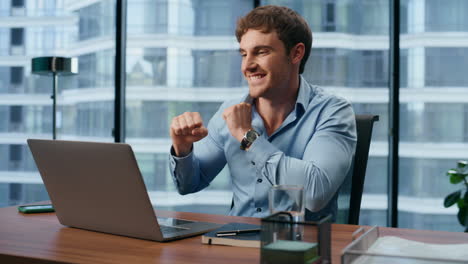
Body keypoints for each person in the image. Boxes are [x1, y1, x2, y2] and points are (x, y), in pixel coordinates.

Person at [168, 5, 356, 221]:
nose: (247, 65)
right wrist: (182, 149)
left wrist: (247, 137)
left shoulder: (332, 111)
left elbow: (315, 193)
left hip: (299, 246)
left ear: (296, 53)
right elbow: (188, 185)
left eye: (261, 52)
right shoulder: (229, 111)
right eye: (244, 54)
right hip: (234, 241)